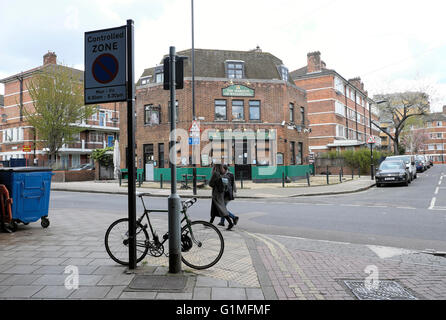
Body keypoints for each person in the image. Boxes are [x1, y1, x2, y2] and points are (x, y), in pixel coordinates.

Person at [209, 164, 234, 230]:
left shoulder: (215, 174)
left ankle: (231, 222)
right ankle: (210, 222)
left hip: (216, 195)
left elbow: (210, 184)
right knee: (215, 209)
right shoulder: (224, 174)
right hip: (221, 194)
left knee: (222, 210)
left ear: (215, 167)